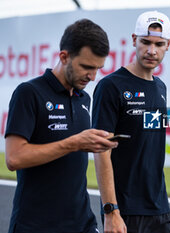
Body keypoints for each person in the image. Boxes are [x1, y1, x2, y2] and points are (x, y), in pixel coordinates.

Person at [5, 19, 118, 233]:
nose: (92, 77)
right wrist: (74, 143)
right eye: (86, 67)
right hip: (35, 225)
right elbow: (14, 158)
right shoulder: (28, 93)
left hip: (82, 223)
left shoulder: (84, 98)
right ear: (64, 56)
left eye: (98, 69)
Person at [92, 11, 170, 233]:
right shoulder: (111, 86)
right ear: (134, 40)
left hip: (159, 208)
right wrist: (111, 211)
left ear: (168, 45)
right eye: (145, 42)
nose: (151, 50)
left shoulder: (160, 88)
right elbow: (101, 152)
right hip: (125, 210)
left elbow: (149, 144)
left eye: (159, 44)